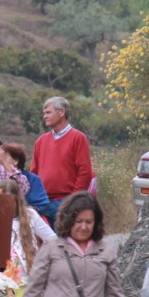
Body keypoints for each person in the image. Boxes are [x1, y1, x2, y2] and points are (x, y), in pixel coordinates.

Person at [14, 192, 133, 297]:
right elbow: (34, 288)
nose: (83, 227)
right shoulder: (51, 248)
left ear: (96, 223)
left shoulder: (105, 251)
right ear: (68, 220)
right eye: (78, 221)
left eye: (89, 222)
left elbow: (114, 293)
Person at [30, 97, 94, 227]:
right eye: (44, 113)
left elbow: (85, 172)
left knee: (64, 239)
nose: (45, 116)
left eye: (48, 112)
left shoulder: (77, 138)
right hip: (43, 204)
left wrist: (72, 201)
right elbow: (33, 173)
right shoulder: (41, 141)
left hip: (66, 202)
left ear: (61, 112)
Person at [2, 143, 56, 222]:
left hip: (28, 220)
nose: (0, 161)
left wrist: (23, 211)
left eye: (4, 157)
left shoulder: (32, 179)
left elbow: (43, 205)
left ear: (16, 161)